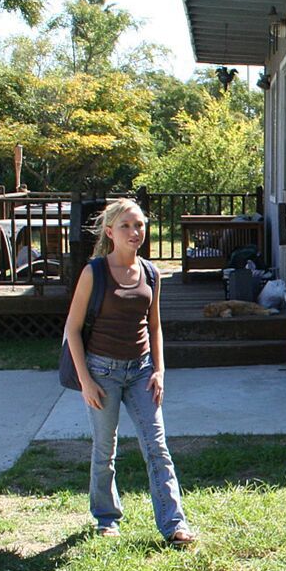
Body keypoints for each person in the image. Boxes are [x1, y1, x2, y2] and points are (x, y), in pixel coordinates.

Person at [63, 198, 195, 546]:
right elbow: (73, 329)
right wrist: (86, 381)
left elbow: (155, 326)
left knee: (157, 447)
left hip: (141, 372)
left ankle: (174, 524)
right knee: (105, 449)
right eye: (126, 226)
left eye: (139, 225)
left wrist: (160, 370)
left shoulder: (151, 273)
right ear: (110, 232)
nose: (135, 232)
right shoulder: (95, 272)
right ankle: (107, 519)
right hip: (101, 373)